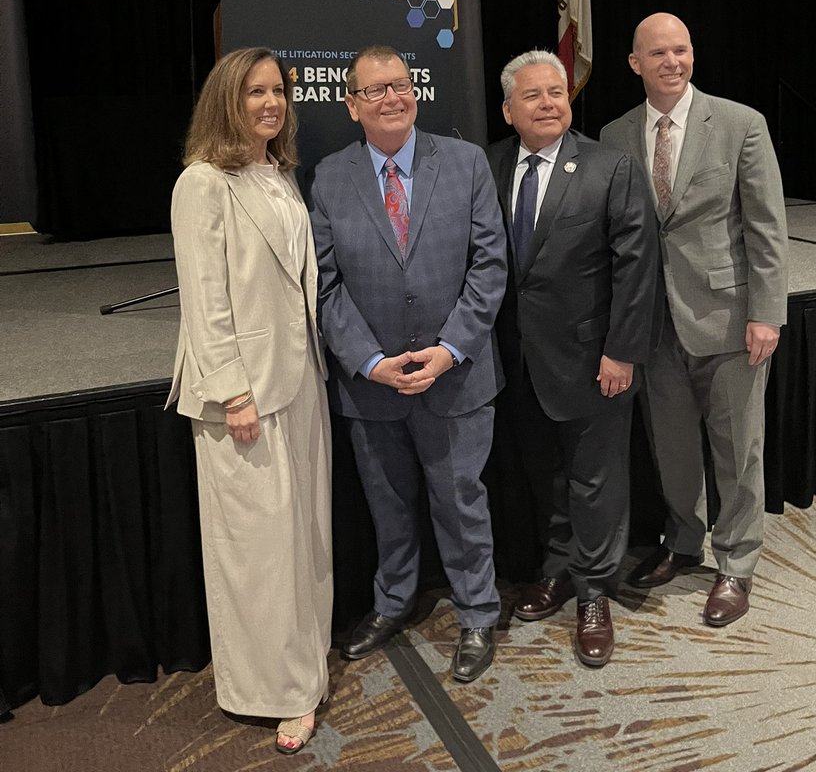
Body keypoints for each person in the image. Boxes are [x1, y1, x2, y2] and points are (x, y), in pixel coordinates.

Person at [308, 44, 507, 683]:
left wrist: (449, 350)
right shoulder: (329, 177)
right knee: (387, 506)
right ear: (351, 104)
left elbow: (489, 266)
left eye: (400, 84)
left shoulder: (467, 162)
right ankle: (393, 602)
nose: (391, 97)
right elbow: (325, 284)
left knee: (460, 503)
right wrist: (368, 362)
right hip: (372, 388)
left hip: (457, 378)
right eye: (375, 89)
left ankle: (478, 611)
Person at [167, 47, 332, 755]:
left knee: (304, 538)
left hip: (300, 381)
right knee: (259, 552)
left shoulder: (276, 174)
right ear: (225, 101)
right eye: (255, 92)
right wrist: (233, 391)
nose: (271, 103)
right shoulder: (202, 183)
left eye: (279, 91)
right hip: (243, 395)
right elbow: (204, 302)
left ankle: (309, 666)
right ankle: (278, 692)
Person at [602, 13, 788, 626]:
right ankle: (684, 543)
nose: (671, 62)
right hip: (654, 328)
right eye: (657, 53)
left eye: (680, 50)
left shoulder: (740, 124)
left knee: (738, 450)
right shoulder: (614, 134)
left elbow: (765, 227)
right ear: (635, 63)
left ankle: (736, 563)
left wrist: (767, 312)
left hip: (731, 320)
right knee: (674, 451)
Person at [487, 50, 658, 667]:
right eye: (532, 96)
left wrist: (621, 351)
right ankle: (558, 570)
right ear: (509, 110)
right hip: (518, 365)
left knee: (595, 483)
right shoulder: (490, 163)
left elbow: (638, 269)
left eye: (556, 92)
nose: (549, 103)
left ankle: (594, 593)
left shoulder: (611, 166)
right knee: (546, 477)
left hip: (595, 362)